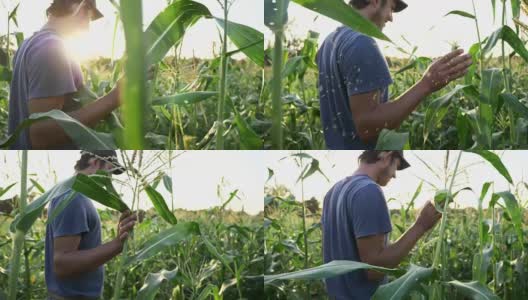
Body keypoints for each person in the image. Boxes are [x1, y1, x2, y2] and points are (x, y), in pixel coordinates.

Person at [316, 0, 473, 149]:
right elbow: (367, 127)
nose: (391, 18)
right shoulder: (362, 43)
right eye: (391, 7)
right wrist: (427, 84)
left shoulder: (329, 42)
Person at [321, 151, 442, 299]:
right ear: (386, 157)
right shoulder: (368, 190)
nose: (394, 175)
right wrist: (421, 226)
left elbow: (353, 250)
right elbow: (375, 269)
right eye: (396, 166)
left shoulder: (332, 192)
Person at [8, 0, 120, 149]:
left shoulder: (27, 45)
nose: (88, 26)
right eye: (90, 16)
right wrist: (116, 97)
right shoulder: (51, 48)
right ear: (81, 6)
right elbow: (42, 136)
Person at [45, 150, 136, 300]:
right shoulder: (73, 197)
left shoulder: (74, 193)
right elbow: (62, 264)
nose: (110, 179)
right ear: (94, 162)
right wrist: (117, 245)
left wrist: (118, 238)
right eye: (109, 171)